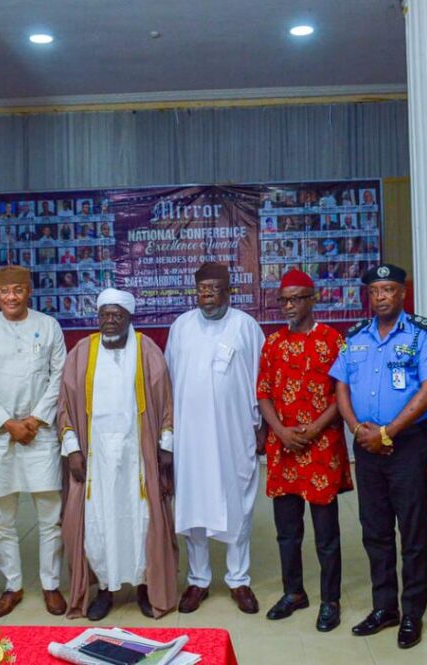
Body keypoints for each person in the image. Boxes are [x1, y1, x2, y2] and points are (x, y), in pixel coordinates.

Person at [330, 263, 427, 649]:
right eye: (375, 291)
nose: (381, 297)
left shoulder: (422, 333)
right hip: (367, 447)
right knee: (375, 531)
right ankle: (384, 608)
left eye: (389, 289)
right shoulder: (356, 336)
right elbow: (341, 386)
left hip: (407, 445)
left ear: (402, 293)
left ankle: (412, 613)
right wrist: (356, 429)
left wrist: (387, 432)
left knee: (412, 534)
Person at [58, 289, 179, 620]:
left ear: (129, 317)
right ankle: (106, 589)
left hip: (138, 456)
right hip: (96, 457)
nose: (110, 321)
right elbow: (64, 407)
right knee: (99, 523)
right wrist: (73, 450)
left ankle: (144, 587)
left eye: (117, 315)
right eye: (104, 315)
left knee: (141, 521)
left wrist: (165, 446)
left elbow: (166, 402)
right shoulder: (82, 352)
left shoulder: (147, 350)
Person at [166, 262, 266, 615]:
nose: (207, 295)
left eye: (214, 289)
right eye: (202, 289)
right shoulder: (181, 326)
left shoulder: (246, 326)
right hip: (190, 436)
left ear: (229, 291)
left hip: (234, 433)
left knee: (239, 503)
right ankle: (198, 579)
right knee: (194, 505)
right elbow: (168, 381)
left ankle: (238, 579)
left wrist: (261, 428)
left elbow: (262, 380)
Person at [0, 266, 68, 618]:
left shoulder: (49, 326)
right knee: (3, 520)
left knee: (50, 516)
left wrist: (35, 420)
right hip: (0, 436)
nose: (11, 297)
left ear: (29, 291)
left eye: (18, 290)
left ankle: (51, 585)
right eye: (4, 291)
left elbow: (60, 377)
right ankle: (13, 585)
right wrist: (9, 424)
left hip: (40, 434)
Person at [257, 270, 352, 632]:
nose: (289, 306)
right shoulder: (273, 343)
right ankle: (293, 592)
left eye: (296, 298)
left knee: (326, 533)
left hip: (321, 447)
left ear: (313, 299)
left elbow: (342, 394)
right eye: (284, 300)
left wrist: (313, 429)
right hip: (283, 449)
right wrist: (281, 431)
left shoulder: (333, 340)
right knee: (287, 530)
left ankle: (330, 600)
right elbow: (263, 393)